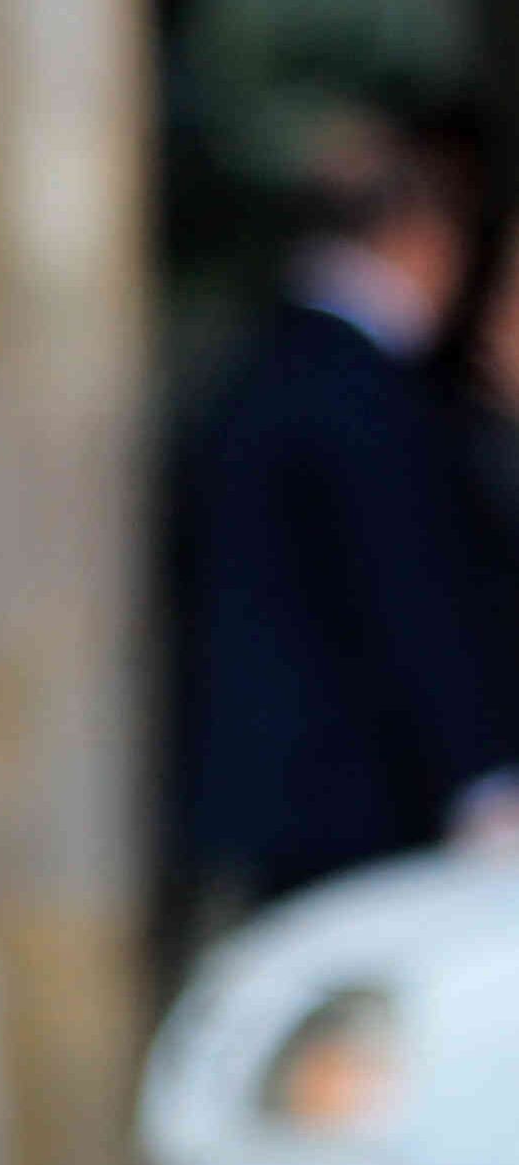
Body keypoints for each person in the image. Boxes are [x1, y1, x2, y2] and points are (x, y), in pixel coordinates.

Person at [173, 99, 519, 947]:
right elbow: (413, 598)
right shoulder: (363, 395)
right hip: (359, 793)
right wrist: (479, 782)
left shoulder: (268, 365)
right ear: (422, 237)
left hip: (285, 792)